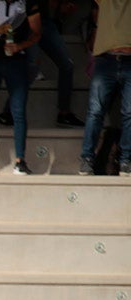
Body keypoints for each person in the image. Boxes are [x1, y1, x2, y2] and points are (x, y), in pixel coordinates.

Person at [0, 0, 42, 175]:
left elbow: (36, 33)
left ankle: (20, 161)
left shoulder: (27, 4)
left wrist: (20, 46)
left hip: (16, 60)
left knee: (18, 111)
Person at [0, 0, 83, 128]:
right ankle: (9, 110)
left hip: (44, 21)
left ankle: (64, 113)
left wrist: (62, 6)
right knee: (32, 66)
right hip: (25, 21)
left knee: (67, 64)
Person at [77, 0, 130, 176]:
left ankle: (125, 160)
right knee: (95, 111)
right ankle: (87, 158)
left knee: (129, 113)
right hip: (106, 60)